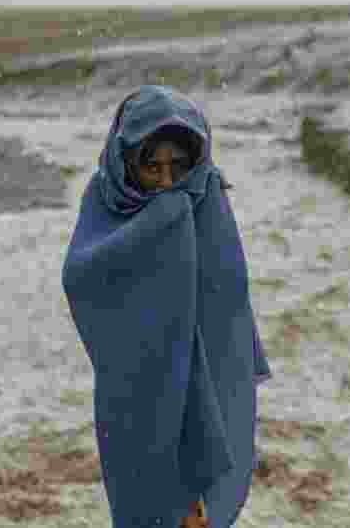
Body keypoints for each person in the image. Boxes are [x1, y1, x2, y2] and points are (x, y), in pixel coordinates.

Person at [63, 85, 272, 528]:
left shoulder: (206, 198)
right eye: (151, 166)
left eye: (178, 167)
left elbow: (229, 295)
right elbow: (81, 278)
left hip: (210, 384)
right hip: (138, 393)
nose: (165, 181)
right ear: (125, 162)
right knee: (145, 506)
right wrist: (159, 231)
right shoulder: (107, 201)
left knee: (199, 514)